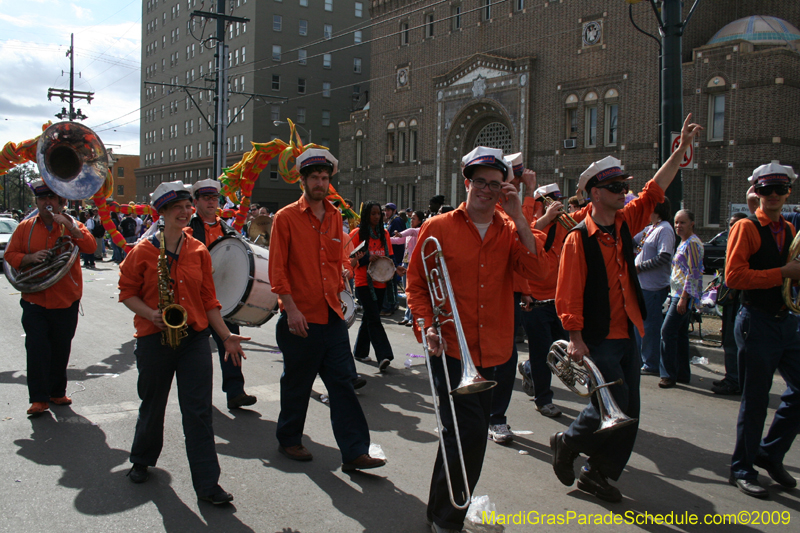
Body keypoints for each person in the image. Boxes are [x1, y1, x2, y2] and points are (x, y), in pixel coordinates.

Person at [551, 114, 702, 503]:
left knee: (628, 412)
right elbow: (568, 293)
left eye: (623, 187)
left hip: (628, 332)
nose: (624, 193)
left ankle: (597, 473)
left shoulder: (622, 222)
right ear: (594, 193)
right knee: (609, 406)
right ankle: (567, 442)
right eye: (616, 187)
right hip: (598, 338)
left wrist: (681, 149)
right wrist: (575, 339)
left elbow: (654, 191)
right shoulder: (576, 239)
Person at [407, 146, 550, 533]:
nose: (488, 190)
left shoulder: (510, 229)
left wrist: (521, 217)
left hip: (495, 350)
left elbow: (540, 275)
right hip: (451, 348)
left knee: (464, 437)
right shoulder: (438, 228)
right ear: (467, 183)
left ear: (505, 188)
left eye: (496, 184)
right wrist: (427, 326)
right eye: (481, 182)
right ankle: (447, 517)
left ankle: (441, 507)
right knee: (466, 434)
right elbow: (417, 284)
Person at [118, 181, 248, 504]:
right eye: (177, 207)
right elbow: (126, 293)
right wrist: (151, 313)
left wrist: (226, 335)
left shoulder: (199, 250)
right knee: (153, 404)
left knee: (199, 412)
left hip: (193, 339)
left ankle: (207, 485)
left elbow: (208, 299)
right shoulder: (144, 251)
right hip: (153, 338)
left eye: (188, 206)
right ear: (161, 213)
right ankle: (142, 459)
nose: (185, 211)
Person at [268, 149, 385, 470]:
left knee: (342, 384)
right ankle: (289, 439)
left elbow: (337, 261)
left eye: (324, 178)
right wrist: (290, 309)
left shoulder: (335, 217)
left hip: (332, 317)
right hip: (299, 317)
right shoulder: (286, 218)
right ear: (302, 180)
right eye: (314, 178)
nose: (320, 183)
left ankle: (355, 451)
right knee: (297, 383)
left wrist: (344, 273)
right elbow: (277, 271)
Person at [725, 162, 800, 499]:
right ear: (755, 191)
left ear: (788, 192)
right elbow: (735, 278)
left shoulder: (789, 228)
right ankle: (741, 468)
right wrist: (784, 272)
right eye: (766, 189)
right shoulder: (747, 227)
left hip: (786, 320)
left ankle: (769, 453)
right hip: (757, 320)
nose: (773, 196)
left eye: (779, 189)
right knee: (755, 400)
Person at [5, 179, 97, 415]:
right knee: (36, 348)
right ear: (37, 201)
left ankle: (57, 393)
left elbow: (90, 247)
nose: (47, 202)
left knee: (60, 348)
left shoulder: (72, 225)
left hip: (66, 299)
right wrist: (29, 259)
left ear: (60, 202)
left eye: (52, 198)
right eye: (43, 198)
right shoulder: (25, 227)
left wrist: (73, 229)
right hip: (34, 298)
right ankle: (38, 399)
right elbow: (10, 254)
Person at [518, 182, 591, 423]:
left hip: (559, 300)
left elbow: (588, 215)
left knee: (560, 352)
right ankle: (543, 400)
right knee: (541, 353)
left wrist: (582, 196)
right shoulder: (531, 223)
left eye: (557, 200)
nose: (556, 206)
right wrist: (545, 218)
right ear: (540, 204)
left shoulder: (565, 224)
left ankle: (528, 370)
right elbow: (521, 236)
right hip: (535, 301)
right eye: (550, 201)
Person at [185, 178, 257, 410]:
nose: (211, 202)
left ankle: (235, 392)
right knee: (193, 352)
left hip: (223, 298)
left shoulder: (228, 229)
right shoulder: (187, 227)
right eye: (206, 198)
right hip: (195, 299)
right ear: (195, 201)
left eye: (214, 198)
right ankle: (196, 396)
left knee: (231, 344)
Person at [350, 201, 406, 370]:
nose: (376, 217)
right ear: (366, 215)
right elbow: (351, 261)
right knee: (374, 318)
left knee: (369, 316)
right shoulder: (357, 234)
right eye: (372, 213)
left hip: (382, 282)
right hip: (363, 283)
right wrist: (366, 258)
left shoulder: (385, 234)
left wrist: (396, 268)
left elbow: (389, 255)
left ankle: (360, 351)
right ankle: (384, 355)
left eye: (378, 214)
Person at [658, 209, 704, 388]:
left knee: (667, 332)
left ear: (691, 223)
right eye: (676, 222)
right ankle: (683, 373)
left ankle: (668, 374)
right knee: (680, 334)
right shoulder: (684, 242)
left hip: (682, 295)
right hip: (677, 293)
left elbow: (693, 272)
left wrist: (684, 298)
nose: (678, 226)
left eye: (683, 222)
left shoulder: (692, 243)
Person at [633, 199, 675, 376]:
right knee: (638, 325)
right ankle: (639, 359)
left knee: (650, 326)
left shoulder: (665, 229)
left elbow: (664, 256)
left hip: (654, 288)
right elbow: (633, 241)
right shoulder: (650, 228)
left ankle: (650, 362)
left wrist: (639, 267)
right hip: (642, 285)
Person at [712, 211, 748, 395]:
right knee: (727, 339)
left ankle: (735, 380)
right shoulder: (731, 244)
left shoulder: (746, 244)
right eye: (731, 224)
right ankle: (731, 376)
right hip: (728, 300)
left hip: (739, 301)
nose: (733, 228)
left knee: (734, 341)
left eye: (737, 224)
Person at [395, 210, 426, 326]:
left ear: (419, 220)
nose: (411, 220)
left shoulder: (419, 231)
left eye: (413, 218)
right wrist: (386, 238)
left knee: (414, 292)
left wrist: (401, 233)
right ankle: (407, 316)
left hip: (414, 265)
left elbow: (411, 231)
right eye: (411, 218)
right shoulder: (408, 234)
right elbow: (398, 241)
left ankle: (414, 318)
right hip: (405, 263)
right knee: (407, 291)